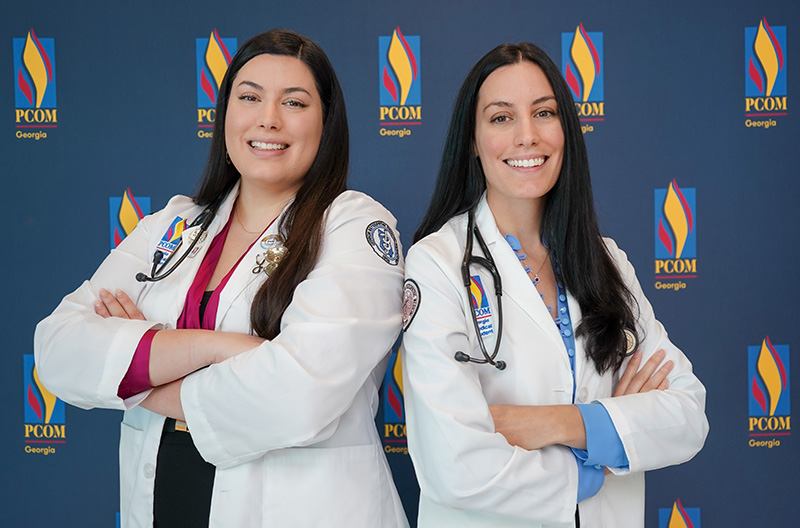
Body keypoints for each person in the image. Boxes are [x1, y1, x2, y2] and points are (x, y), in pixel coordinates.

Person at [34, 29, 409, 528]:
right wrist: (217, 348)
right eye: (249, 97)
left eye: (293, 102)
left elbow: (300, 393)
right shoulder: (175, 224)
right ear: (226, 113)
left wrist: (137, 375)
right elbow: (59, 348)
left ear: (326, 124)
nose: (268, 119)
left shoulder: (355, 225)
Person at [400, 42, 708, 528]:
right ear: (472, 143)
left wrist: (558, 423)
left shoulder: (608, 261)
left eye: (543, 113)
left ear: (566, 130)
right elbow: (453, 463)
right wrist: (603, 447)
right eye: (501, 118)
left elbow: (687, 415)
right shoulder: (436, 264)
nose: (527, 136)